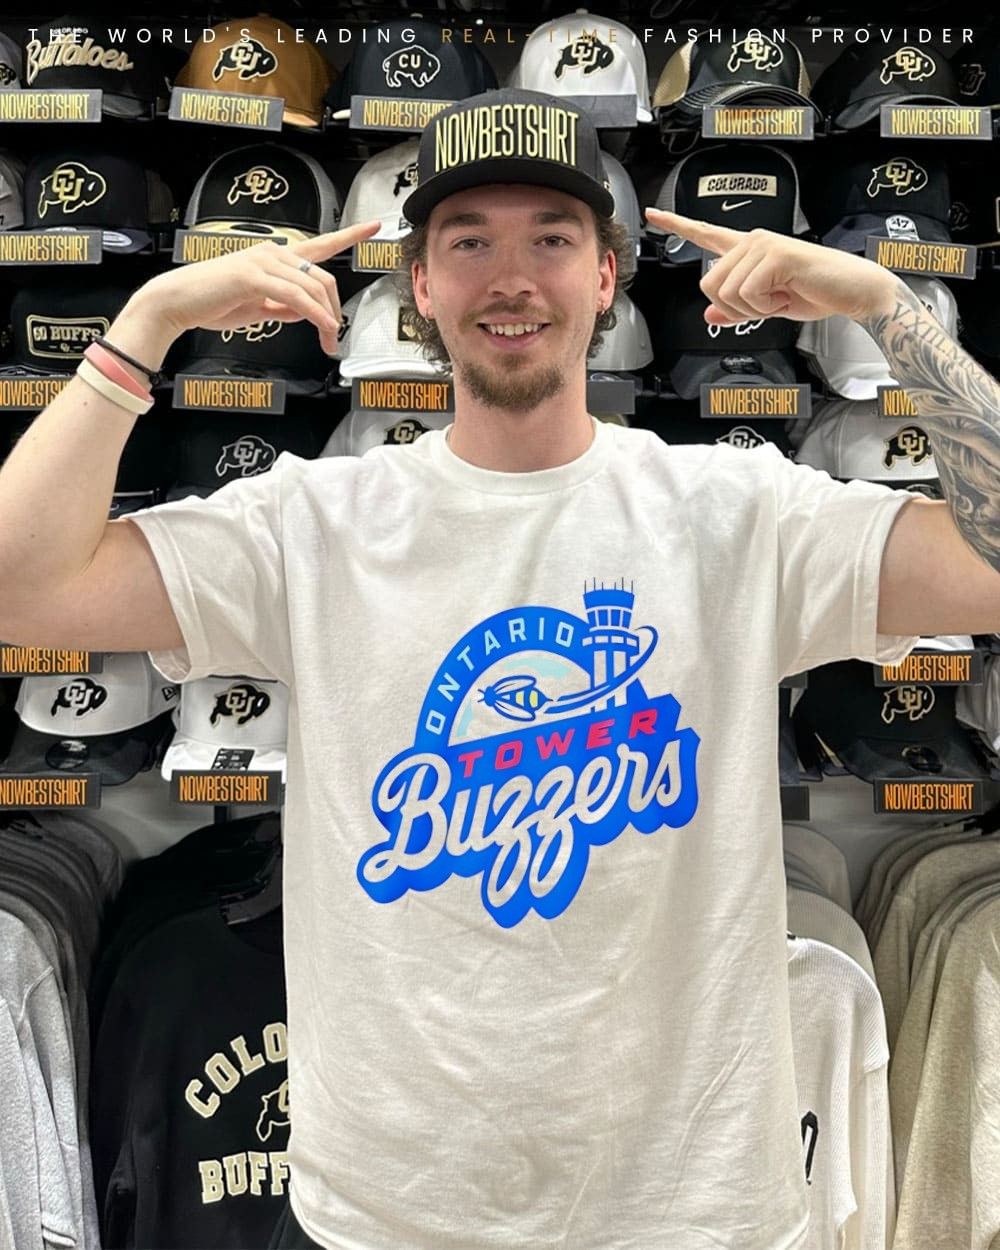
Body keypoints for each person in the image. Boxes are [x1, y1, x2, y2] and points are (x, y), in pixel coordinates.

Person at [0, 86, 998, 1250]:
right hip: (391, 1204)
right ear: (418, 286)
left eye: (552, 239)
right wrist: (148, 322)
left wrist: (889, 309)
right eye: (468, 242)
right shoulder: (312, 522)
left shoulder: (739, 513)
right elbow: (28, 587)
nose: (510, 278)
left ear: (607, 275)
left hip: (685, 1203)